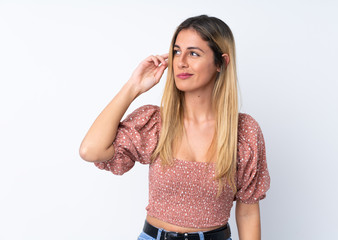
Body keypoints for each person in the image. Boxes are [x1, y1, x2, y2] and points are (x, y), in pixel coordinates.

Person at [80, 15, 270, 240]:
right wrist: (134, 86)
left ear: (221, 63)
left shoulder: (243, 131)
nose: (181, 61)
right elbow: (90, 150)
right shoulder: (156, 123)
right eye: (177, 51)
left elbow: (248, 213)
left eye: (193, 53)